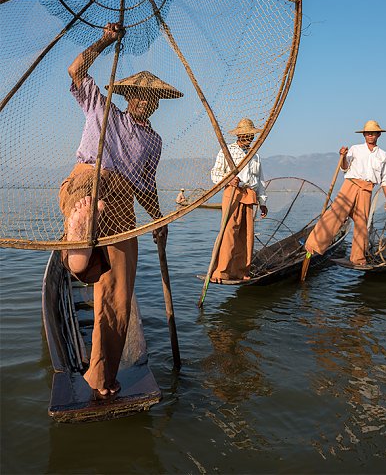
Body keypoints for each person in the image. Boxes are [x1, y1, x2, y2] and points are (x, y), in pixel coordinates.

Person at [59, 22, 183, 397]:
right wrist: (105, 40)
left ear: (157, 104)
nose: (145, 100)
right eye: (139, 95)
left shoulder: (154, 141)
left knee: (118, 294)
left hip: (119, 203)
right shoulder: (102, 107)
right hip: (90, 179)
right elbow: (76, 70)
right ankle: (81, 240)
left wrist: (159, 220)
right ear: (128, 96)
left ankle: (100, 377)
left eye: (151, 97)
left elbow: (147, 187)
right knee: (85, 207)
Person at [304, 120, 386, 265]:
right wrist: (343, 156)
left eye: (373, 133)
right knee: (335, 214)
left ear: (378, 135)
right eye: (367, 133)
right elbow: (344, 168)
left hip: (367, 190)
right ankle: (313, 245)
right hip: (350, 185)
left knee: (361, 223)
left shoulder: (383, 156)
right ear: (364, 135)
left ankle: (357, 258)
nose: (370, 135)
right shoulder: (355, 149)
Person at [210, 118, 268, 282]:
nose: (248, 137)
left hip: (249, 194)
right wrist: (228, 180)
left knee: (246, 235)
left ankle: (241, 271)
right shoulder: (227, 151)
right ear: (239, 134)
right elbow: (215, 174)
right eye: (245, 134)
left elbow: (260, 181)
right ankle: (221, 272)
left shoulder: (255, 155)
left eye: (250, 134)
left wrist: (263, 203)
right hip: (233, 193)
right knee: (229, 233)